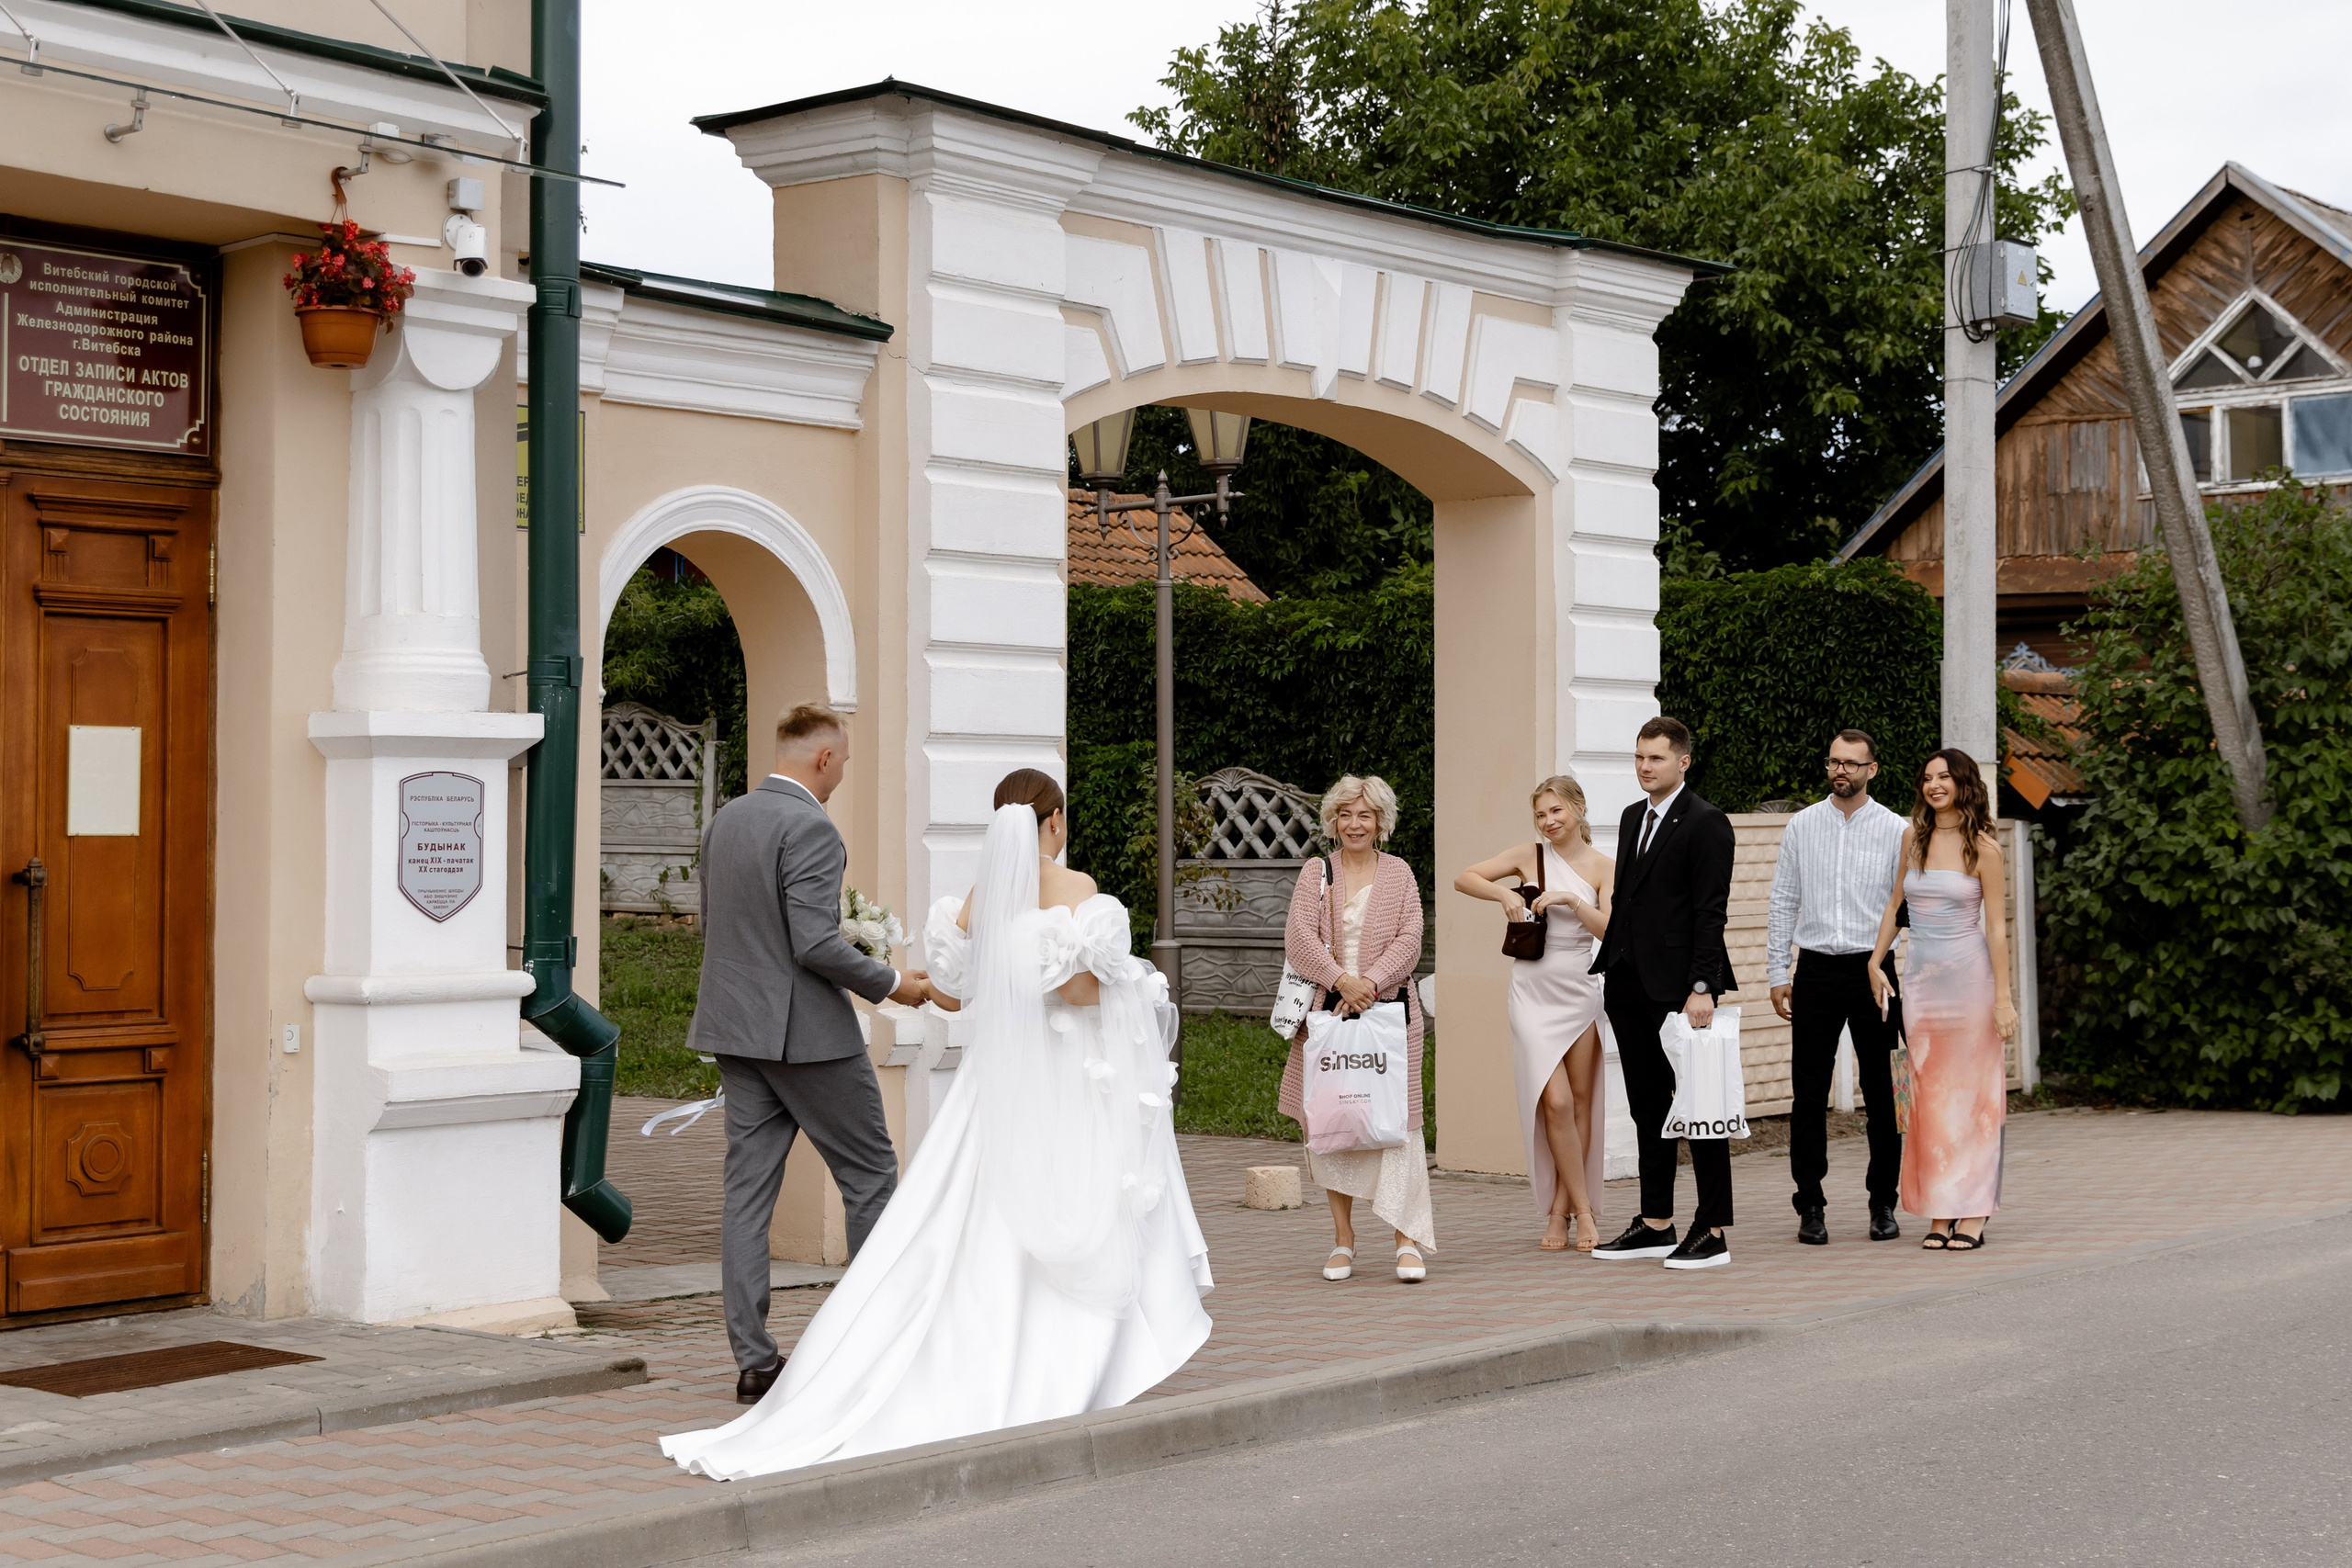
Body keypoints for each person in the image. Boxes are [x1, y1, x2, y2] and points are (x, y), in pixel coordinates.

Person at [662, 770, 1213, 1479]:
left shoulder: (975, 903)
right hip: (1065, 1078)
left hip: (994, 1083)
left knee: (970, 1213)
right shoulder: (1080, 892)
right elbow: (1081, 992)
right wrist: (1128, 980)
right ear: (1055, 821)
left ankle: (805, 1350)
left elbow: (951, 996)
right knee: (1064, 1198)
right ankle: (1068, 1353)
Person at [686, 703, 932, 1405]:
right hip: (808, 1038)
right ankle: (872, 1342)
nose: (844, 773)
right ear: (823, 758)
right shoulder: (811, 827)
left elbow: (725, 927)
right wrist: (892, 983)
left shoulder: (725, 819)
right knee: (870, 1174)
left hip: (736, 1030)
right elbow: (814, 943)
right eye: (845, 761)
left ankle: (755, 1362)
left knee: (746, 1196)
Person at [1588, 716, 1740, 1270]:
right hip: (1628, 982)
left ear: (1683, 762)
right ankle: (1656, 1222)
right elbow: (1628, 897)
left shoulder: (1707, 823)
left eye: (1655, 757)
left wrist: (1703, 985)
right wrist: (1610, 968)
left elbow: (1710, 912)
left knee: (1699, 1106)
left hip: (1681, 990)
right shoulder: (1632, 818)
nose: (1644, 767)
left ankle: (1713, 1228)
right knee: (1648, 1105)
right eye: (1638, 757)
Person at [1279, 775, 1433, 1284]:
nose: (1354, 824)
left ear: (1381, 821)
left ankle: (1406, 1239)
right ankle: (1343, 1240)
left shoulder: (1401, 873)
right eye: (1345, 814)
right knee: (1333, 1122)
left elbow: (1412, 939)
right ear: (1333, 821)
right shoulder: (1314, 872)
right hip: (1328, 1018)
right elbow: (1299, 939)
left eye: (1364, 815)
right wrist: (1343, 981)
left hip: (1390, 1019)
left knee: (1398, 1123)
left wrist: (1369, 982)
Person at [1454, 775, 1613, 1252]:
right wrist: (1505, 895)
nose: (1548, 822)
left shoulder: (1607, 866)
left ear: (1579, 809)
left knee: (1582, 1104)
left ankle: (1566, 1212)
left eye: (1556, 811)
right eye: (1541, 814)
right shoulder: (1529, 855)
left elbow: (1610, 930)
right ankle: (1582, 1210)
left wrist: (1572, 900)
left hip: (1580, 989)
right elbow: (1465, 877)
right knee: (1557, 1104)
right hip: (1531, 991)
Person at [1867, 749, 2016, 1252]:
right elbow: (1895, 904)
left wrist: (2004, 1000)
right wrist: (1874, 959)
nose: (1934, 785)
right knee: (1928, 1099)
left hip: (1971, 985)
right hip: (1922, 987)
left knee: (1974, 1098)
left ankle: (1972, 1211)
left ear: (1963, 784)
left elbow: (1996, 930)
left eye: (1944, 777)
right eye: (1927, 777)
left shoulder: (1985, 850)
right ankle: (1940, 1208)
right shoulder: (1914, 838)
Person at [1765, 728, 1909, 1246]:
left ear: (1873, 769)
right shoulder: (1803, 826)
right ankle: (1811, 1204)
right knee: (1807, 1093)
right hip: (1817, 971)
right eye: (1833, 762)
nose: (1840, 770)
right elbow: (1783, 899)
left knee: (1883, 1092)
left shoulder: (1898, 830)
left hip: (1875, 971)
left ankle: (1882, 1203)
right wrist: (1778, 972)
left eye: (1851, 763)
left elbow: (1903, 908)